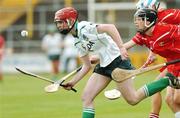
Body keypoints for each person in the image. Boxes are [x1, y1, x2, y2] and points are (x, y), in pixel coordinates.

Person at [54, 7, 180, 118]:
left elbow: (110, 27)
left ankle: (167, 81)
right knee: (86, 97)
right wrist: (73, 82)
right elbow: (87, 66)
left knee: (133, 99)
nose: (59, 25)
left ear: (70, 20)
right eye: (57, 23)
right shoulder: (76, 41)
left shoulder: (84, 27)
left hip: (117, 62)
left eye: (61, 22)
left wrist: (121, 47)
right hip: (103, 65)